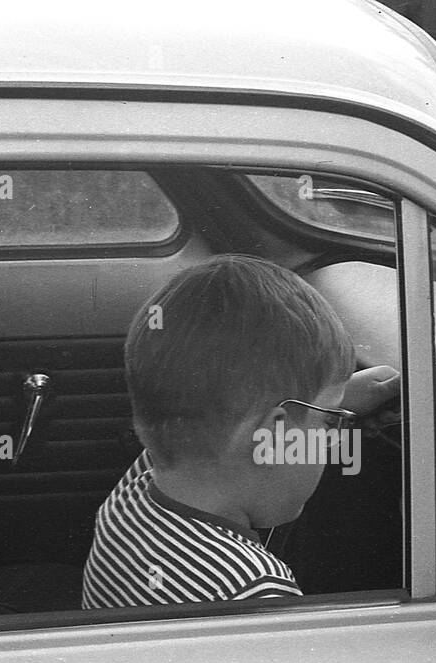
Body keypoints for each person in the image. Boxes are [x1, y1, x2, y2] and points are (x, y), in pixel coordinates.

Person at [82, 254, 398, 608]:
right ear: (275, 438)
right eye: (329, 422)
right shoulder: (255, 588)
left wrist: (333, 401)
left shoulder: (131, 495)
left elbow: (203, 411)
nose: (336, 434)